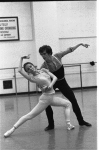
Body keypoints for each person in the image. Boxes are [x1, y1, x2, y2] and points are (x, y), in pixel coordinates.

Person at [4, 55, 75, 138]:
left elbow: (55, 77)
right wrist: (21, 58)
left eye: (30, 66)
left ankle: (69, 125)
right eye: (28, 69)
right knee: (30, 116)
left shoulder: (43, 70)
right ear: (28, 72)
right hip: (45, 99)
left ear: (33, 66)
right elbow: (19, 70)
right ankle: (12, 129)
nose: (30, 68)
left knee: (67, 104)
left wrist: (50, 85)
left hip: (51, 98)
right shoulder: (32, 78)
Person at [39, 43, 92, 131]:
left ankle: (81, 121)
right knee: (46, 103)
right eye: (41, 54)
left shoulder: (57, 56)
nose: (42, 56)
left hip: (62, 82)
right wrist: (42, 87)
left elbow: (70, 49)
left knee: (73, 100)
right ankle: (51, 125)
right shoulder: (44, 66)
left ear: (49, 53)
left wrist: (80, 44)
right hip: (53, 83)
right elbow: (39, 77)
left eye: (44, 54)